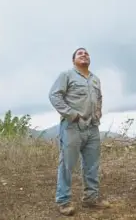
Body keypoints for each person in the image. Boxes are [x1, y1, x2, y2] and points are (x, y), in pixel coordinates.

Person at [48, 47, 109, 216]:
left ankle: (91, 198)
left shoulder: (95, 79)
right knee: (67, 165)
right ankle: (63, 201)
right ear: (73, 59)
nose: (84, 55)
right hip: (72, 127)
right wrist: (72, 115)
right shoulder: (66, 75)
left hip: (92, 127)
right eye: (80, 53)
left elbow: (99, 99)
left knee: (92, 165)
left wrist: (98, 113)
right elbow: (54, 96)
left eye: (87, 53)